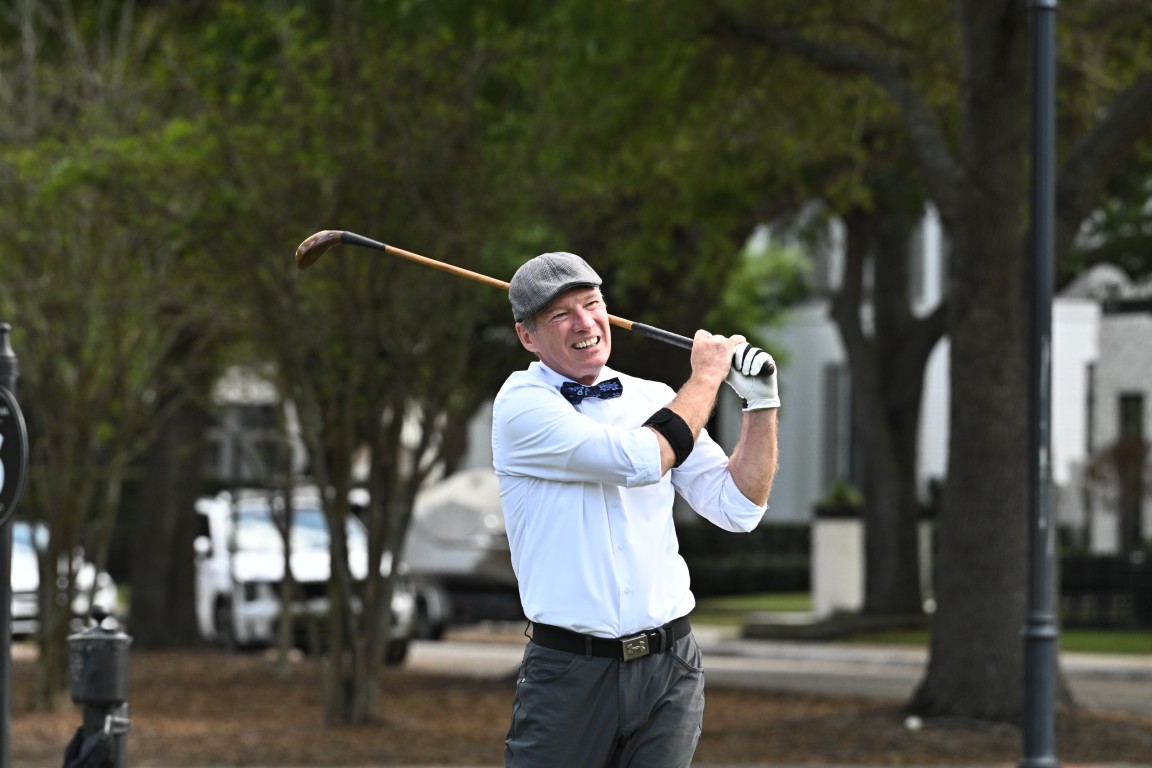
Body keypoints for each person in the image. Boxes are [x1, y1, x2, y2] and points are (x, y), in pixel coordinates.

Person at [491, 251, 780, 768]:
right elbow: (641, 459)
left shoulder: (655, 397)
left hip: (671, 667)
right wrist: (708, 376)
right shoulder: (521, 405)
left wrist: (760, 404)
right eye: (561, 315)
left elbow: (738, 507)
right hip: (570, 671)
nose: (585, 323)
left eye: (591, 304)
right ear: (527, 337)